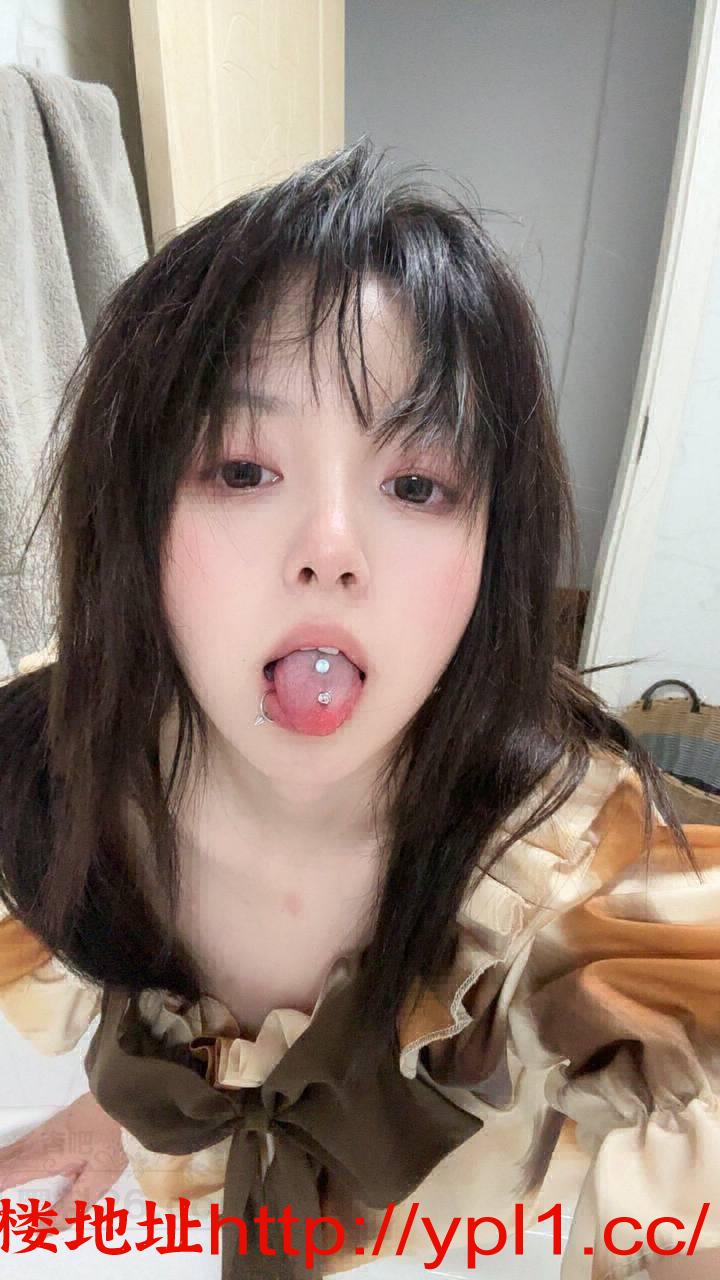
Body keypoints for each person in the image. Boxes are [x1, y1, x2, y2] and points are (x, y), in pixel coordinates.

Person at [0, 139, 718, 1280]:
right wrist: (113, 1106)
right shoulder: (52, 767)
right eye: (242, 468)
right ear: (131, 513)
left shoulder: (582, 883)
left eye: (417, 484)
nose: (331, 550)